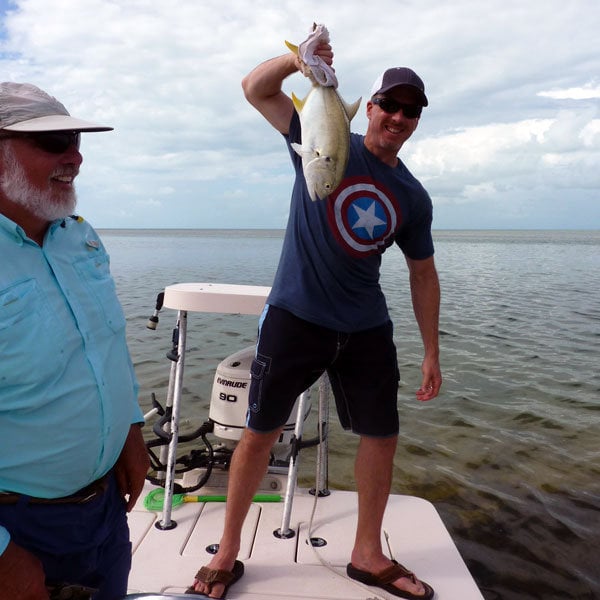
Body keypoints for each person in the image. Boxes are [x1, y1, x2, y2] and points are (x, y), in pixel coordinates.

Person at [186, 42, 441, 600]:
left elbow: (423, 273)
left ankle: (367, 554)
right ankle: (227, 554)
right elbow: (257, 90)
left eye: (411, 111)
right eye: (389, 105)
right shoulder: (321, 138)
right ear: (368, 107)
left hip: (366, 326)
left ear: (416, 120)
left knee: (382, 435)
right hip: (296, 316)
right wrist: (297, 62)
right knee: (259, 432)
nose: (398, 117)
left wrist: (431, 351)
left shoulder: (412, 196)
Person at [0, 82, 149, 600]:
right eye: (55, 141)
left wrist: (130, 429)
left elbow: (107, 345)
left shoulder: (78, 235)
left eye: (77, 140)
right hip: (20, 531)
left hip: (105, 510)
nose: (76, 156)